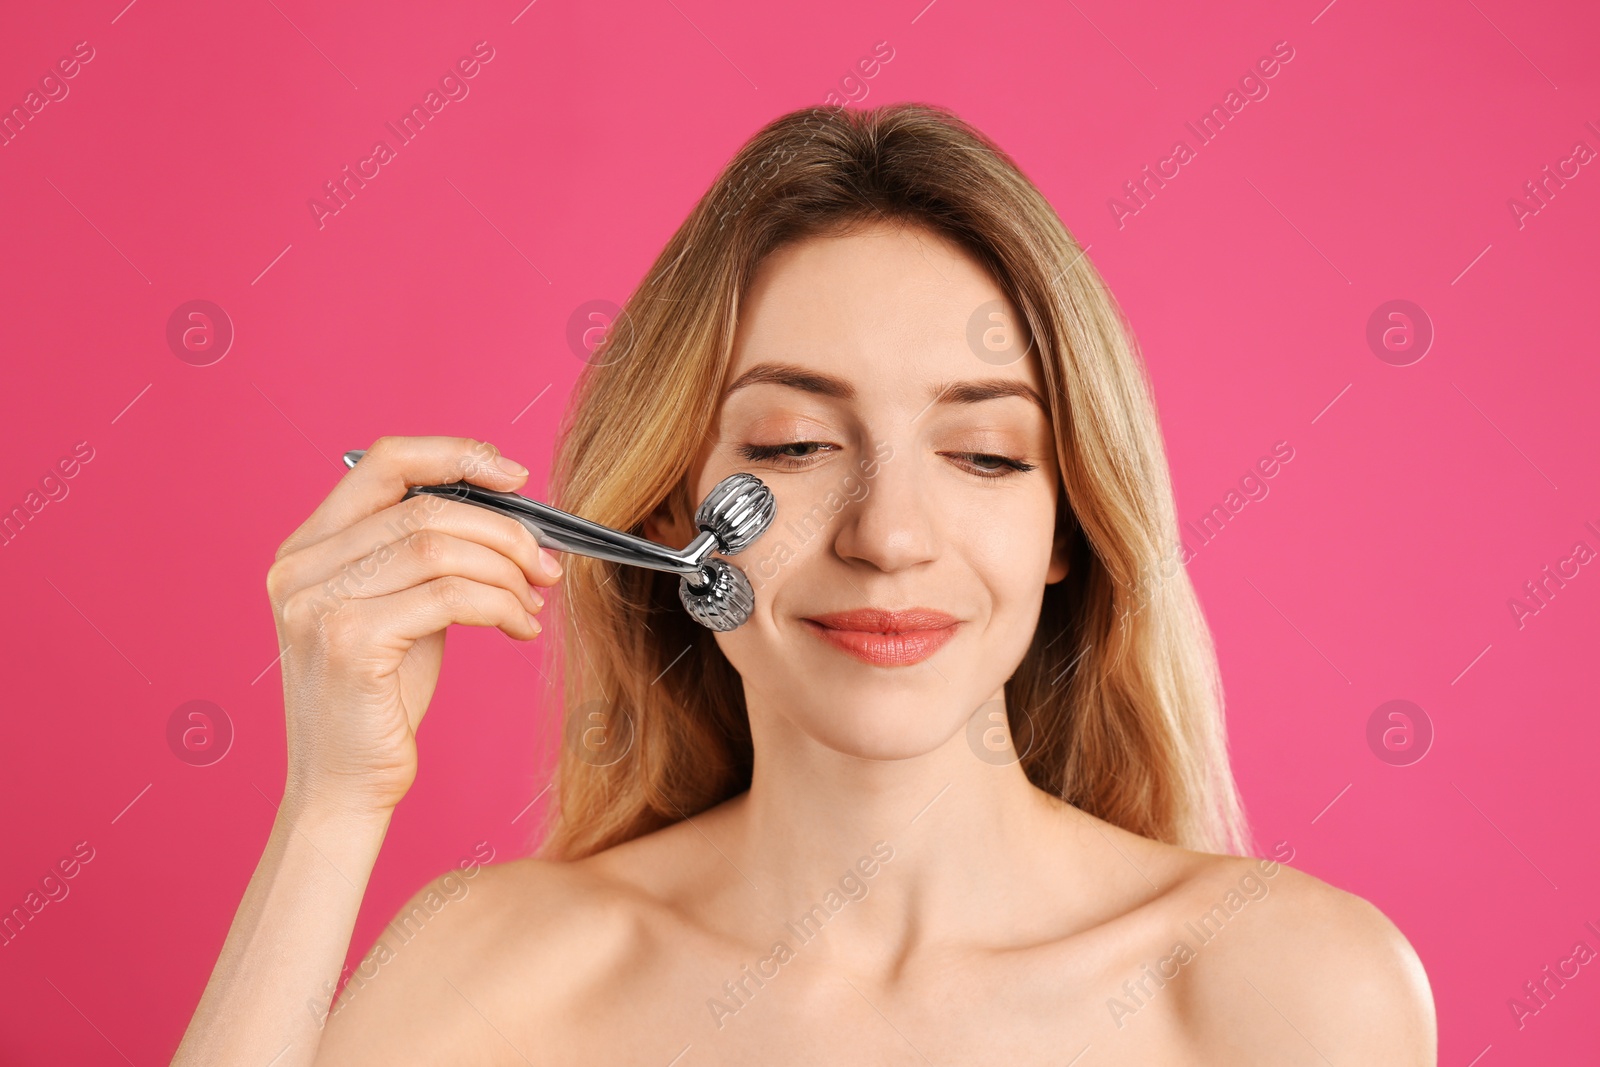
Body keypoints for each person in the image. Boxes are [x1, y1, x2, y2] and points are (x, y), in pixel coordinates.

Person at [174, 103, 1436, 1065]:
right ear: (672, 504)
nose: (889, 535)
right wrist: (331, 805)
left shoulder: (1284, 988)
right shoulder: (498, 975)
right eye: (790, 445)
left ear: (1068, 524)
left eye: (987, 452)